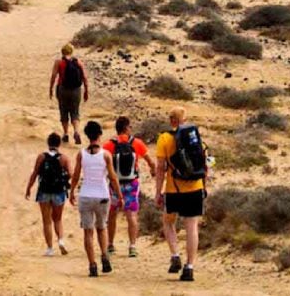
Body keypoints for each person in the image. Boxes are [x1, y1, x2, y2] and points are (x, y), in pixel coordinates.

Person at [155, 107, 209, 283]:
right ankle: (189, 267)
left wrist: (158, 192)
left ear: (172, 121)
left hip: (174, 189)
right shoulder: (194, 137)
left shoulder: (164, 138)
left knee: (168, 221)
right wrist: (204, 186)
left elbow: (160, 168)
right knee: (191, 227)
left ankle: (175, 255)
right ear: (184, 120)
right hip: (195, 187)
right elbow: (205, 164)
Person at [69, 120, 122, 278]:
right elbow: (112, 177)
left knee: (88, 232)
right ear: (100, 134)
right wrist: (119, 195)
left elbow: (77, 175)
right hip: (102, 195)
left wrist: (72, 191)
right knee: (102, 228)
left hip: (86, 195)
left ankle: (92, 265)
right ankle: (104, 255)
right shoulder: (105, 155)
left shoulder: (82, 154)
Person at [103, 116, 156, 258]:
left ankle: (110, 244)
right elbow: (150, 161)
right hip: (132, 183)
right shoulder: (136, 143)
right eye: (130, 126)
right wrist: (153, 170)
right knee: (131, 215)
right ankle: (132, 246)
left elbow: (103, 163)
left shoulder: (109, 145)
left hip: (115, 184)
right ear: (126, 128)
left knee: (112, 214)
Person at [24, 133, 72, 257]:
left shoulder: (41, 157)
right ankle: (61, 240)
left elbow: (35, 174)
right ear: (59, 144)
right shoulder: (64, 158)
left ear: (48, 143)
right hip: (58, 192)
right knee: (58, 219)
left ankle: (50, 248)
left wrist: (29, 188)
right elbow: (71, 174)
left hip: (44, 191)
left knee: (46, 221)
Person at [50, 44, 89, 145]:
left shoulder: (59, 62)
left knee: (64, 111)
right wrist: (86, 91)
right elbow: (84, 77)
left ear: (62, 51)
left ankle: (66, 134)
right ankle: (76, 131)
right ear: (71, 51)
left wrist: (50, 89)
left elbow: (54, 76)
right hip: (76, 90)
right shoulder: (77, 62)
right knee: (75, 112)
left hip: (62, 89)